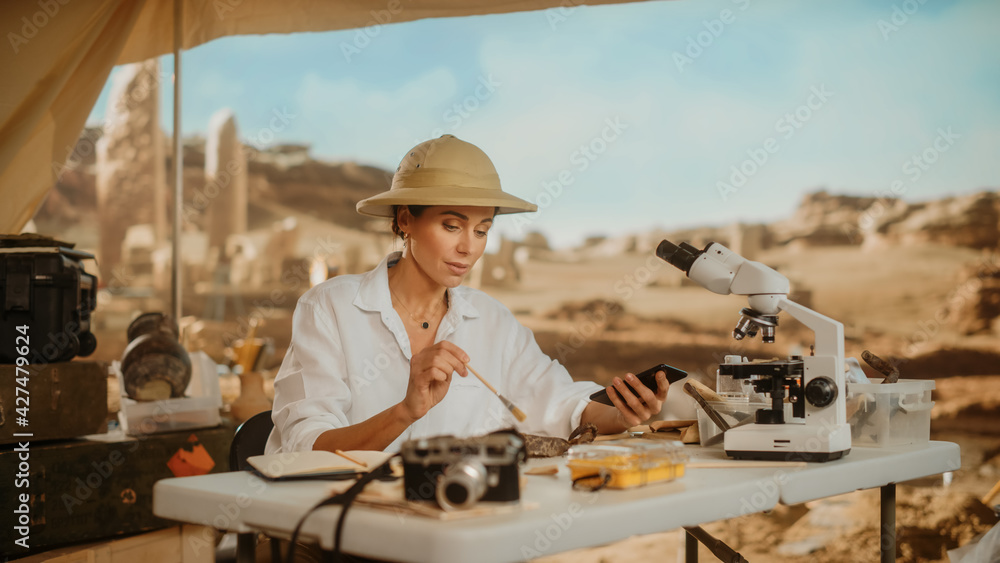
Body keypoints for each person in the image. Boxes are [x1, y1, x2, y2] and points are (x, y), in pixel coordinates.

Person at [265, 134, 668, 455]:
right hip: (337, 534)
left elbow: (563, 405)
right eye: (452, 225)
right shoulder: (330, 308)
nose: (469, 248)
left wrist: (623, 412)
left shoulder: (491, 321)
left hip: (451, 524)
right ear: (405, 219)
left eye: (482, 230)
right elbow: (307, 448)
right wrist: (405, 412)